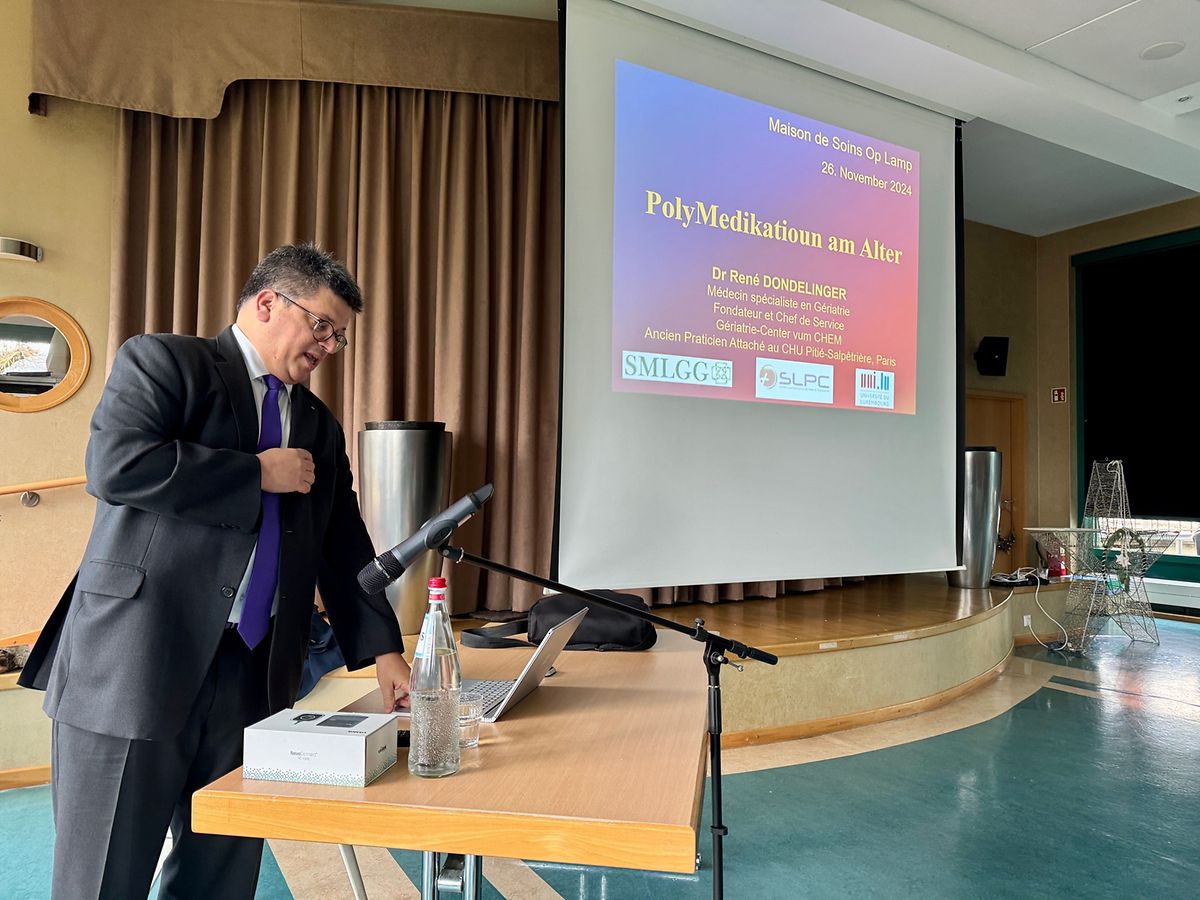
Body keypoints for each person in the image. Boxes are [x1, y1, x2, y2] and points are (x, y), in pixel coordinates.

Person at [19, 243, 411, 899]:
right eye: (323, 325)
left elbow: (343, 542)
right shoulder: (168, 363)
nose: (330, 346)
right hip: (135, 663)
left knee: (221, 878)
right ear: (269, 303)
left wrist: (384, 650)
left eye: (339, 336)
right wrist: (255, 473)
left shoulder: (317, 422)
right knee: (102, 880)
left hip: (253, 673)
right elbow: (117, 466)